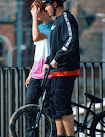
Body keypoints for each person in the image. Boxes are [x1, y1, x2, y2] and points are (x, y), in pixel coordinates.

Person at [42, 0, 80, 137]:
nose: (45, 9)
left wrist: (57, 58)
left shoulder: (66, 18)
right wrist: (48, 61)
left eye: (46, 6)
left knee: (63, 107)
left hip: (65, 70)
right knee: (56, 108)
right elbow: (55, 47)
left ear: (55, 4)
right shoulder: (56, 22)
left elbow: (71, 40)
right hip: (56, 71)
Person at [25, 0, 54, 136]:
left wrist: (33, 18)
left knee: (49, 110)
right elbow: (38, 54)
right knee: (28, 106)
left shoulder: (53, 27)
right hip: (36, 75)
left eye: (37, 11)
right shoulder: (39, 27)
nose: (35, 14)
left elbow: (36, 37)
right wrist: (31, 73)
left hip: (49, 75)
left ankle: (50, 134)